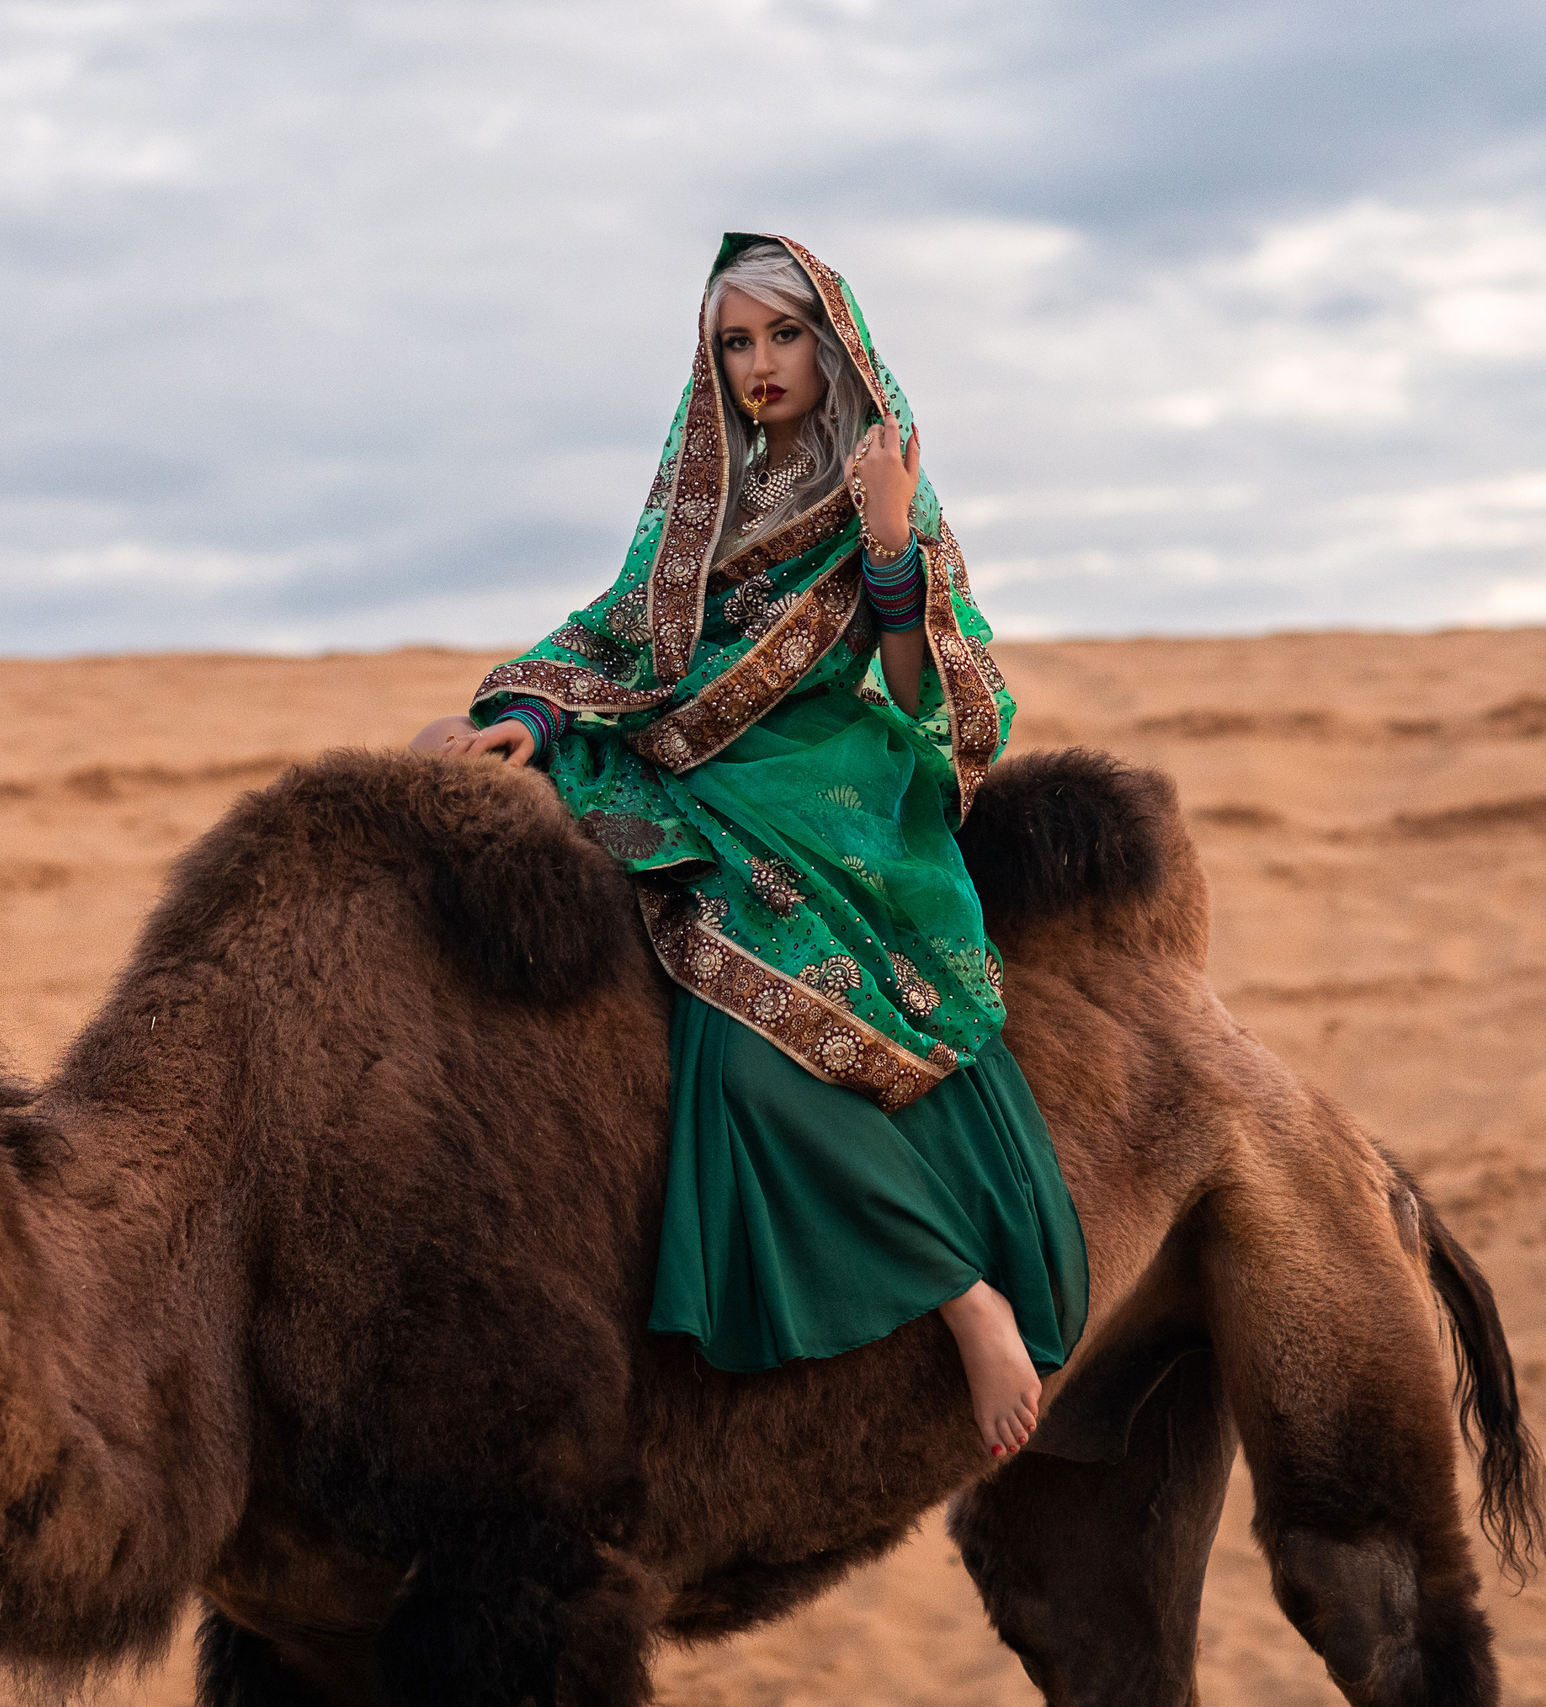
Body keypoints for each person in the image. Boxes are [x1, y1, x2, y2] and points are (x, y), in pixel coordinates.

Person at [412, 234, 1085, 1456]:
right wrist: (526, 714)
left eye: (782, 336)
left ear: (830, 348)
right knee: (441, 763)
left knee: (756, 1064)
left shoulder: (883, 479)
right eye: (736, 342)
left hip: (824, 785)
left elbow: (919, 682)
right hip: (683, 759)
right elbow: (619, 633)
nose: (760, 364)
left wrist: (888, 544)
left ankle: (963, 1296)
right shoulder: (702, 493)